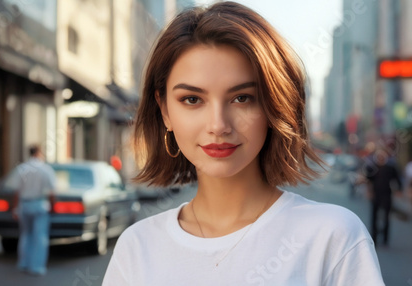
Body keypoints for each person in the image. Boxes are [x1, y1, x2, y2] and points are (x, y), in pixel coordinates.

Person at [103, 2, 384, 285]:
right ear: (165, 111)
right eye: (192, 99)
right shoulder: (137, 249)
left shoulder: (333, 238)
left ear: (275, 105)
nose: (218, 125)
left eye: (242, 98)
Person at [7, 145, 56, 276]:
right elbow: (52, 191)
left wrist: (15, 208)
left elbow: (17, 192)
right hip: (39, 204)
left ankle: (24, 263)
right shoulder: (45, 169)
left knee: (25, 235)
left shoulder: (22, 169)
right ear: (39, 153)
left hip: (24, 205)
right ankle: (37, 266)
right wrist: (53, 206)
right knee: (39, 237)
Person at [365, 149, 402, 246]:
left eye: (382, 157)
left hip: (386, 194)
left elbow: (397, 179)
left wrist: (399, 190)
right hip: (375, 195)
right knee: (374, 217)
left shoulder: (390, 168)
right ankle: (374, 239)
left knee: (386, 217)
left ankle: (385, 239)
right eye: (379, 157)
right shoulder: (372, 168)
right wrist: (369, 192)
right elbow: (368, 180)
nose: (380, 158)